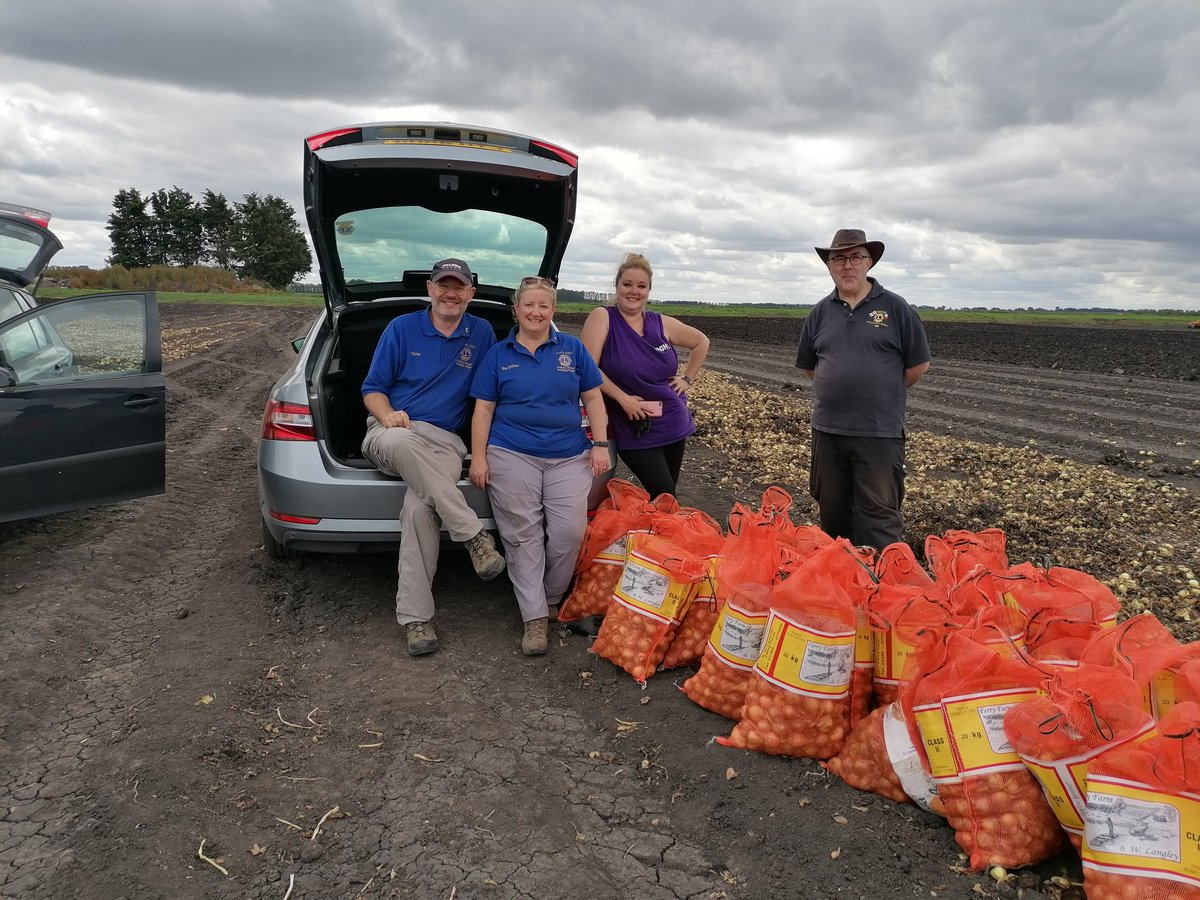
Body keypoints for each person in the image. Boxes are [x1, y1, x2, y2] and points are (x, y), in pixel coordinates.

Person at [360, 258, 507, 658]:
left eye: (459, 286)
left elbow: (492, 393)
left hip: (444, 442)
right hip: (394, 433)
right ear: (429, 288)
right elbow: (372, 388)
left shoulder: (482, 333)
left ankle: (415, 620)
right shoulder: (401, 328)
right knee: (406, 444)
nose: (451, 293)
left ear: (471, 294)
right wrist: (385, 413)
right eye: (444, 284)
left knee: (418, 509)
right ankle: (474, 535)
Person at [469, 277, 610, 656]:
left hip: (568, 455)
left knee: (568, 532)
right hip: (511, 453)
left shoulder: (573, 349)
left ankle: (549, 598)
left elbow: (594, 399)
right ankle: (534, 618)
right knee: (523, 535)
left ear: (553, 311)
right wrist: (479, 457)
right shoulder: (499, 354)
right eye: (528, 305)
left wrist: (599, 444)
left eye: (543, 306)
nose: (536, 312)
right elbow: (484, 409)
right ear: (516, 309)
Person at [794, 229, 931, 550]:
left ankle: (882, 590)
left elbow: (917, 366)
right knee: (833, 516)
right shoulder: (819, 313)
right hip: (828, 432)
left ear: (869, 263)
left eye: (856, 257)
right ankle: (842, 585)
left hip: (878, 433)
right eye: (838, 258)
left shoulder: (896, 308)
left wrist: (879, 391)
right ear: (829, 266)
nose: (847, 265)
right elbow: (810, 366)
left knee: (878, 517)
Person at [580, 253, 710, 499]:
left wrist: (687, 378)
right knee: (663, 490)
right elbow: (588, 367)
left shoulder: (661, 323)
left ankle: (657, 535)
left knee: (666, 497)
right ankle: (660, 533)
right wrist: (623, 399)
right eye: (627, 284)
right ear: (617, 286)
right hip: (632, 424)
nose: (633, 291)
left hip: (672, 418)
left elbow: (701, 341)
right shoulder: (603, 317)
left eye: (641, 286)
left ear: (649, 290)